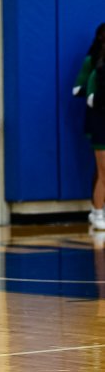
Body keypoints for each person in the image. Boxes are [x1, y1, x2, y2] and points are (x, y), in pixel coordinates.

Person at [75, 24, 105, 225]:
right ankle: (97, 211)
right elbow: (79, 90)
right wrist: (93, 94)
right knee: (102, 170)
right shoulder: (96, 68)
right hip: (99, 119)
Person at [84, 35, 105, 230]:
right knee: (103, 172)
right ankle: (97, 212)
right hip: (102, 127)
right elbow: (90, 100)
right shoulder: (97, 74)